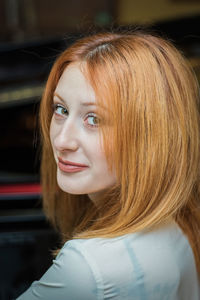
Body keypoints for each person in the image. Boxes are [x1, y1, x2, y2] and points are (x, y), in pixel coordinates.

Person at [17, 30, 200, 299]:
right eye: (61, 109)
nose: (62, 141)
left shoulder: (87, 267)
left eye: (94, 119)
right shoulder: (179, 219)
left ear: (149, 135)